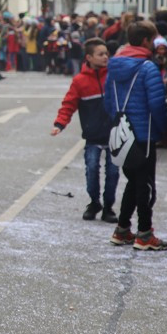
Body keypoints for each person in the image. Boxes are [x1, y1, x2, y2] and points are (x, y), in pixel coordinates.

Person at [103, 20, 167, 251]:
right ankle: (144, 234)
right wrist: (162, 131)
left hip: (122, 133)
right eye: (152, 40)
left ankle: (122, 229)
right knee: (146, 186)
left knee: (133, 181)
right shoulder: (148, 67)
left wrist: (119, 124)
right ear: (145, 41)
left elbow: (108, 102)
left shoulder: (114, 66)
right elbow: (157, 105)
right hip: (144, 134)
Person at [51, 38, 119, 223]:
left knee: (113, 173)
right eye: (100, 54)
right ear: (89, 57)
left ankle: (108, 207)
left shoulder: (114, 75)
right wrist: (60, 124)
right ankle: (94, 202)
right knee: (91, 170)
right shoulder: (80, 81)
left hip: (114, 135)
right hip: (93, 135)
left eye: (106, 53)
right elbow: (69, 104)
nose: (105, 57)